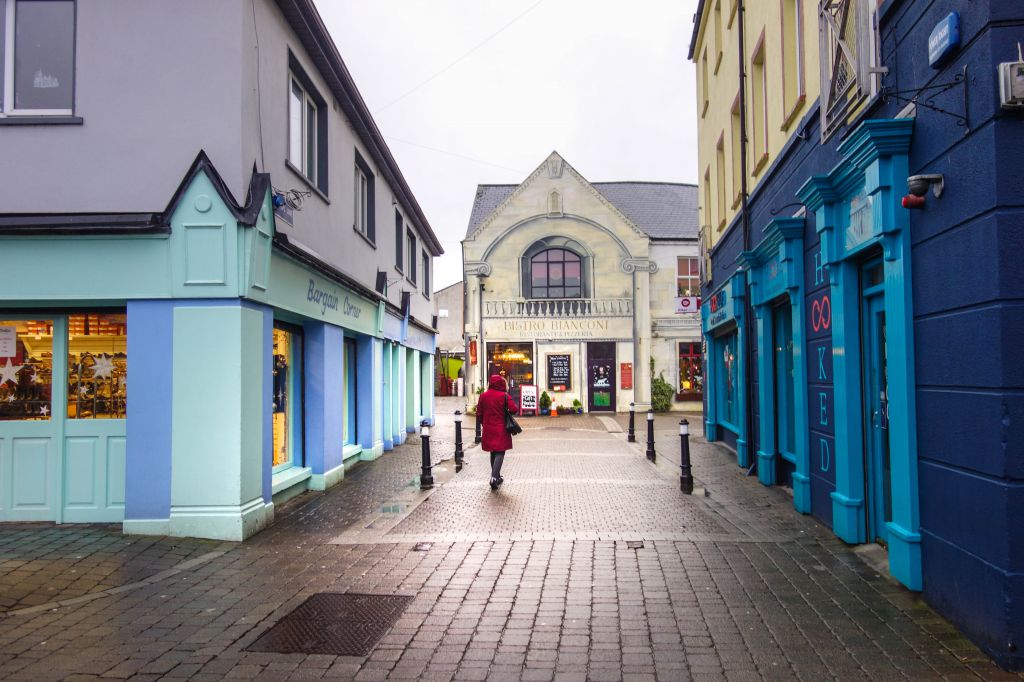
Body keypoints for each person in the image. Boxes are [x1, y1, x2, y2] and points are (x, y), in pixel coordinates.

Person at [476, 374, 519, 490]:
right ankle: (494, 478)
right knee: (500, 452)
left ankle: (497, 476)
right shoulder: (504, 396)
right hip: (501, 429)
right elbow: (514, 409)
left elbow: (479, 413)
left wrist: (483, 423)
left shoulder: (483, 396)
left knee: (493, 452)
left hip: (488, 428)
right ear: (501, 383)